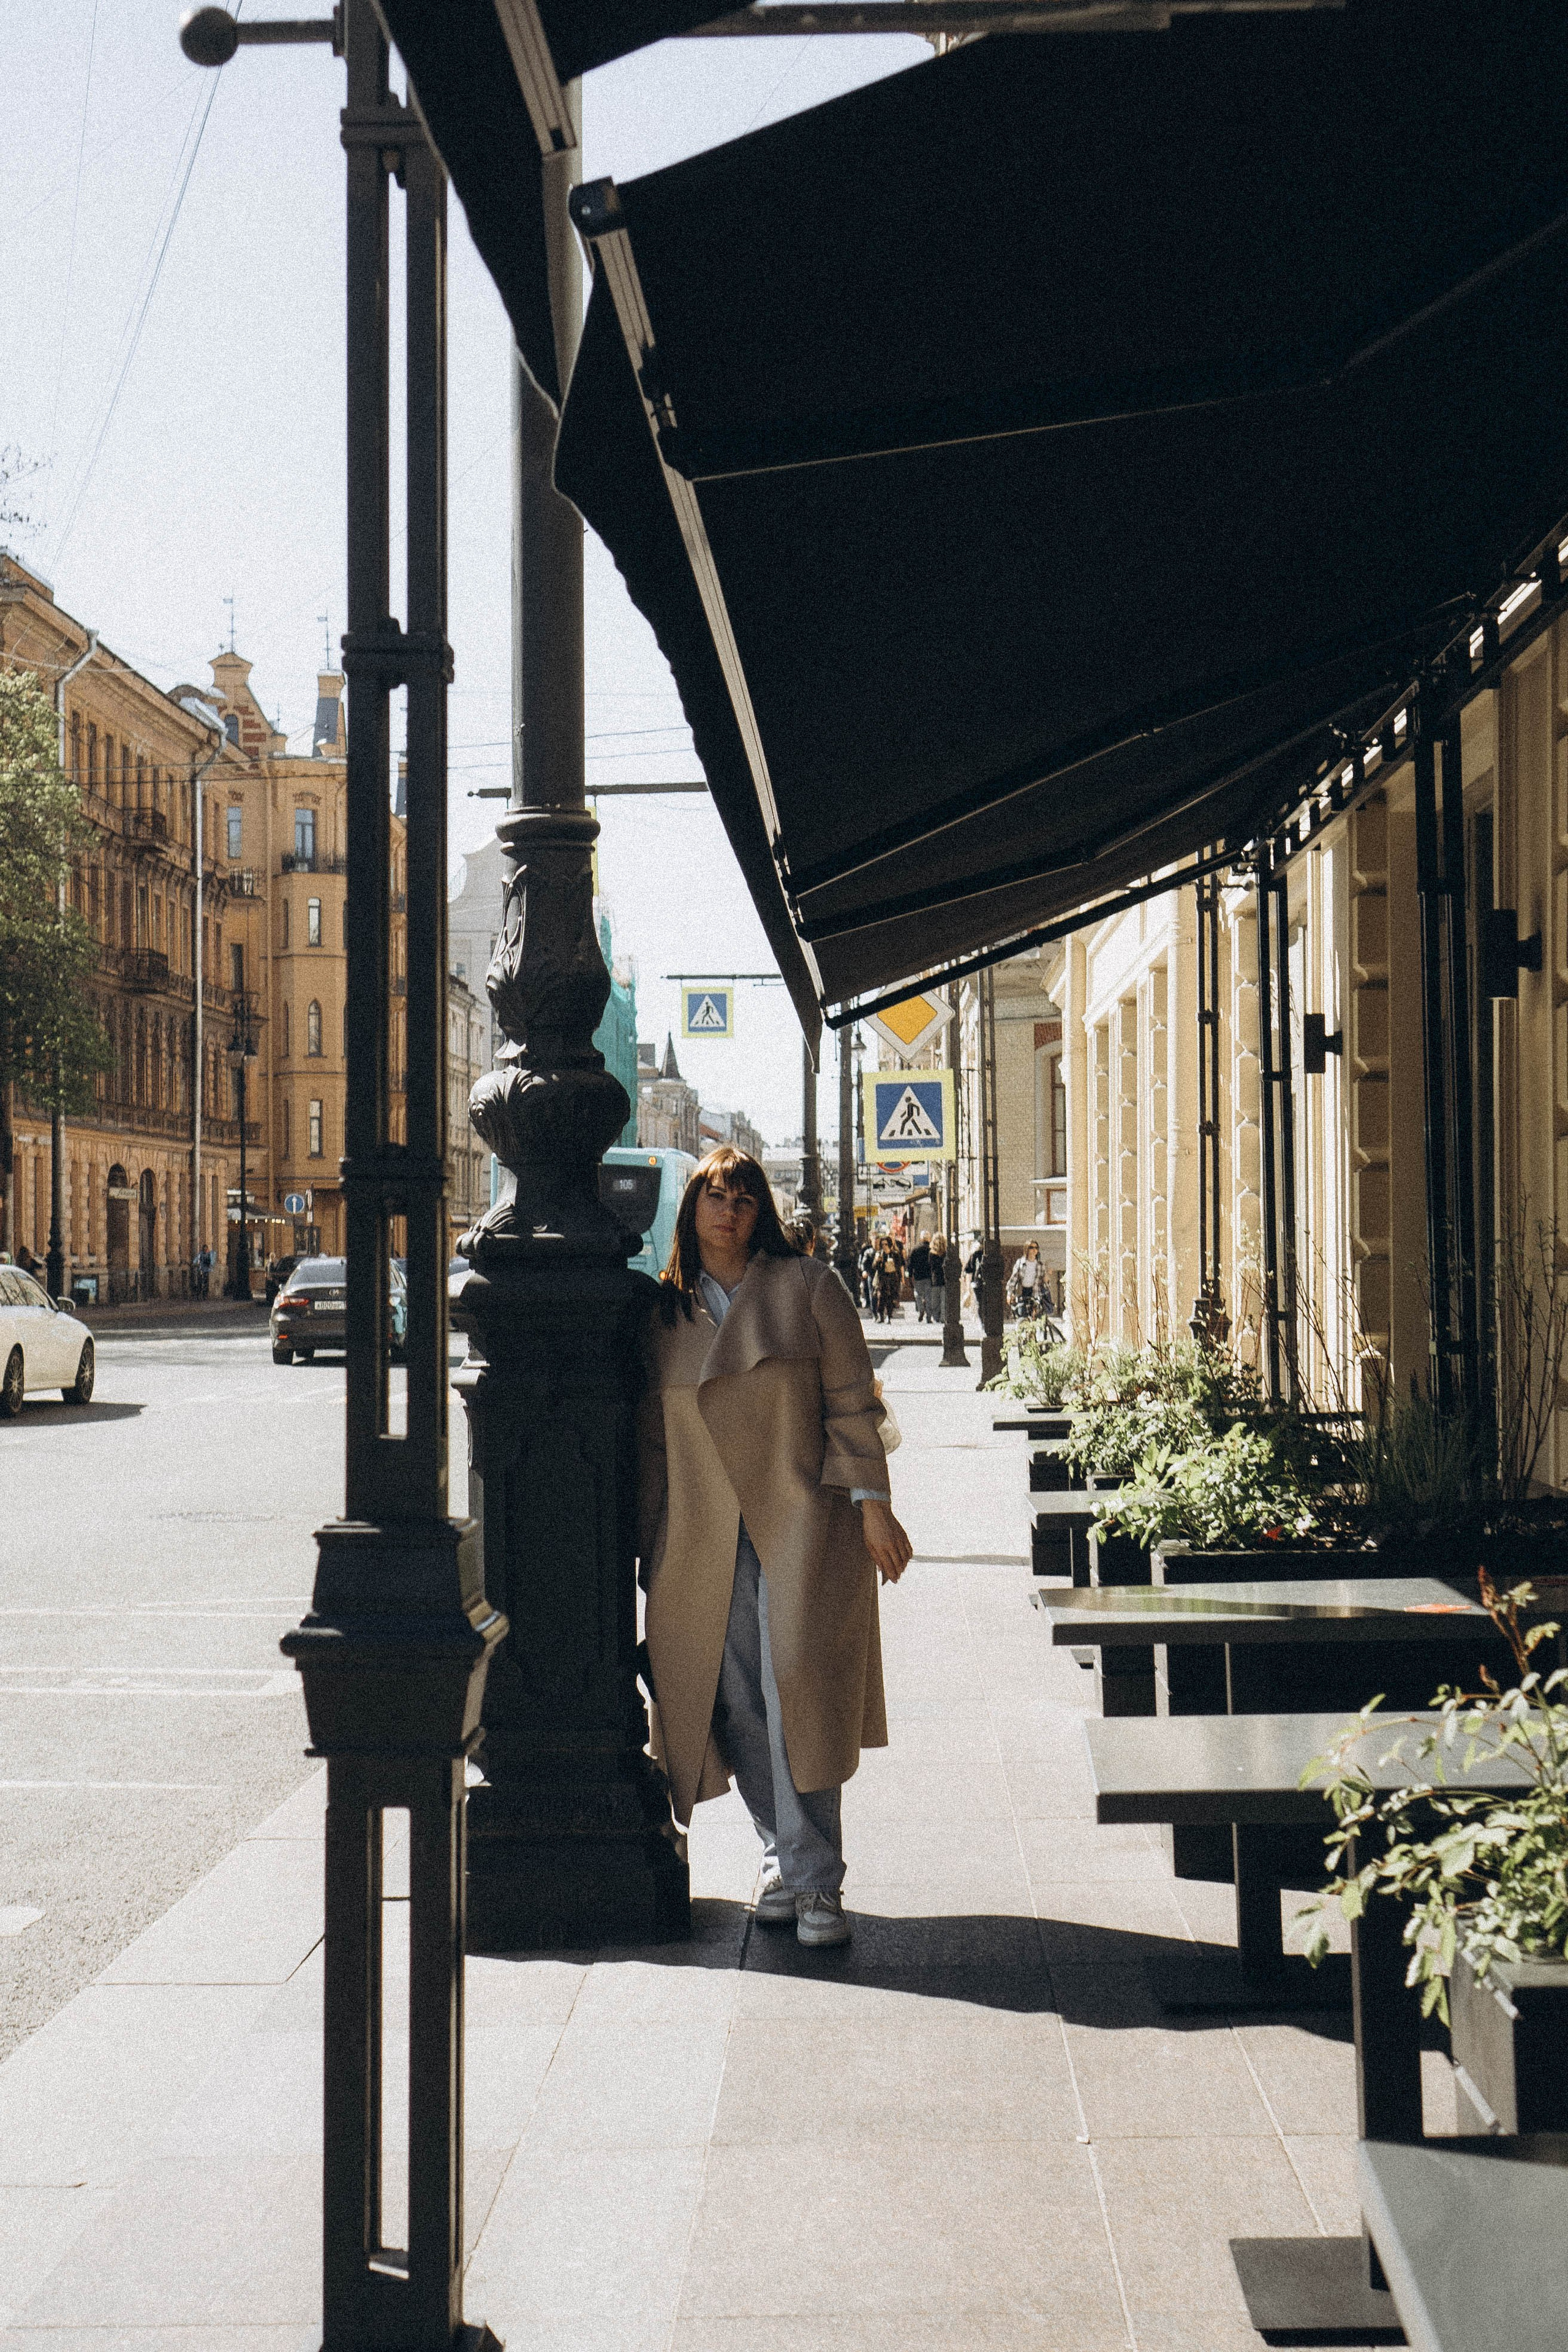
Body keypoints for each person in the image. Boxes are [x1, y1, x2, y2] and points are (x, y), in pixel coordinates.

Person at [637, 1147, 913, 1947]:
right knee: (736, 1706)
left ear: (763, 1211)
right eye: (713, 1197)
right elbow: (653, 1447)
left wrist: (873, 1507)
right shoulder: (666, 1315)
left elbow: (853, 1405)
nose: (728, 1211)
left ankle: (817, 1881)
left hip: (803, 1530)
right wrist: (647, 1546)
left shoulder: (810, 1289)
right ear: (690, 1212)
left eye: (743, 1198)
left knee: (803, 1696)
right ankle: (779, 1855)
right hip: (699, 1541)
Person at [1008, 1238, 1044, 1321]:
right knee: (1022, 1316)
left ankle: (1032, 1334)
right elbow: (1014, 1279)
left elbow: (1042, 1281)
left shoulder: (1039, 1265)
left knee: (1035, 1319)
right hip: (1023, 1292)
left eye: (1036, 1248)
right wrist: (1009, 1294)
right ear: (1027, 1249)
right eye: (1032, 1248)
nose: (1034, 1250)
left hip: (1035, 1293)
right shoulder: (1021, 1263)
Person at [907, 1231, 932, 1322]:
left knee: (918, 1294)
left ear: (921, 1239)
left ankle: (921, 1309)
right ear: (929, 1239)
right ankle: (929, 1316)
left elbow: (910, 1264)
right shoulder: (931, 1250)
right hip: (928, 1276)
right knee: (928, 1296)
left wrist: (910, 1276)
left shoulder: (915, 1249)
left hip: (918, 1276)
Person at [928, 1229, 948, 1321]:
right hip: (944, 1278)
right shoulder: (946, 1253)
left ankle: (937, 1317)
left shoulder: (932, 1254)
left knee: (935, 1300)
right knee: (944, 1300)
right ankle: (943, 1317)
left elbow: (931, 1267)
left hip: (935, 1279)